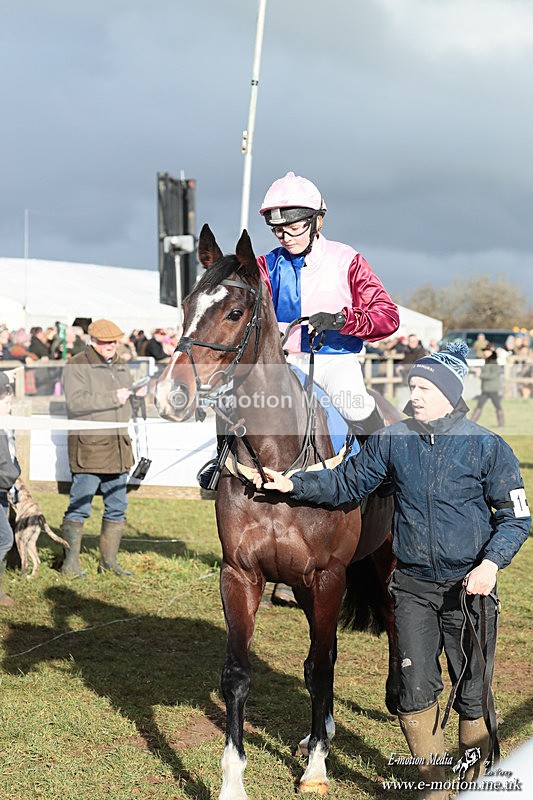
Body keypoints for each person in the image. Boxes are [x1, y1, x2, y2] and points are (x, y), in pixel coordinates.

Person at [251, 341, 531, 798]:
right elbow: (345, 483)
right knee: (413, 689)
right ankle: (435, 789)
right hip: (413, 587)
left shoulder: (487, 447)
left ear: (449, 393)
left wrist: (490, 564)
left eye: (423, 388)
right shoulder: (392, 440)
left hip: (470, 589)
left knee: (472, 689)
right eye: (411, 386)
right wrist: (293, 483)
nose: (412, 395)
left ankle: (474, 782)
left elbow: (516, 518)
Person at [257, 171, 399, 431]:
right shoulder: (267, 265)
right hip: (284, 361)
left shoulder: (347, 259)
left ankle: (380, 454)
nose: (286, 237)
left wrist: (341, 321)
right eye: (278, 231)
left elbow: (387, 317)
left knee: (353, 405)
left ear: (317, 222)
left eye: (294, 228)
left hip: (335, 361)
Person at [59, 319, 148, 578]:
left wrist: (137, 397)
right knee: (79, 507)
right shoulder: (76, 365)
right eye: (105, 341)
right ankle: (70, 565)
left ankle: (108, 563)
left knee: (117, 507)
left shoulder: (121, 365)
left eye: (114, 341)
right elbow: (75, 403)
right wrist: (113, 397)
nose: (111, 346)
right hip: (90, 450)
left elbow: (126, 407)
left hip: (118, 449)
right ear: (93, 341)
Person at [0, 371, 21, 606]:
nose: (10, 407)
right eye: (6, 402)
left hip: (2, 490)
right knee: (5, 539)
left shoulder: (6, 427)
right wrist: (5, 376)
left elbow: (10, 460)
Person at [471, 346, 505, 427]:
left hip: (492, 389)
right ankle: (471, 422)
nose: (485, 352)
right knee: (479, 405)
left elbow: (493, 375)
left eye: (487, 351)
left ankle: (501, 424)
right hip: (486, 389)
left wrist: (480, 375)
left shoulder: (493, 362)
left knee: (497, 406)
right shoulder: (487, 361)